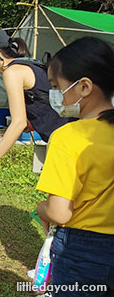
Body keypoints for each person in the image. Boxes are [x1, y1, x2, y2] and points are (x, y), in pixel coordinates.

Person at [35, 37, 114, 296]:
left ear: (84, 87)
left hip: (82, 251)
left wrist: (41, 208)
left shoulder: (68, 137)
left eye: (57, 87)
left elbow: (59, 213)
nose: (55, 96)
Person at [0, 28, 72, 187]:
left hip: (65, 141)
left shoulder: (12, 72)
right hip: (67, 134)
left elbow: (18, 122)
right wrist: (32, 122)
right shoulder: (26, 64)